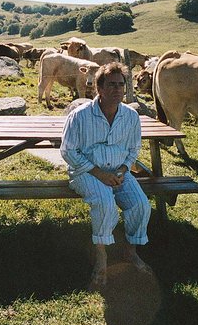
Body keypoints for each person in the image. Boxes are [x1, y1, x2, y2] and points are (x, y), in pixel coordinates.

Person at [60, 62, 152, 289]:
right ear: (99, 88)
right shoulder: (80, 116)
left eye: (121, 84)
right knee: (104, 203)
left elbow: (133, 149)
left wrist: (123, 169)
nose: (117, 89)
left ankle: (130, 251)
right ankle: (101, 257)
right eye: (111, 85)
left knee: (141, 205)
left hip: (118, 172)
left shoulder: (131, 116)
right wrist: (98, 173)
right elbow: (68, 151)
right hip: (85, 171)